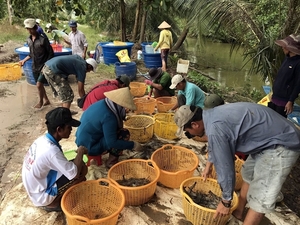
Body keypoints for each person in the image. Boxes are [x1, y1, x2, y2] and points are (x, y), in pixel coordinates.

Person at [174, 103, 300, 225]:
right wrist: (208, 166)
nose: (190, 135)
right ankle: (239, 211)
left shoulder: (215, 129)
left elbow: (226, 168)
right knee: (248, 172)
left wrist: (225, 202)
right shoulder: (211, 116)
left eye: (187, 132)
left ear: (195, 125)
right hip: (265, 139)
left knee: (261, 197)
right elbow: (215, 144)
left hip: (281, 143)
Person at [22, 107, 88, 212]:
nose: (71, 129)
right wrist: (80, 151)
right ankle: (52, 203)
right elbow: (74, 173)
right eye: (69, 127)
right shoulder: (51, 151)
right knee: (81, 171)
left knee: (76, 165)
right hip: (41, 195)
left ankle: (55, 197)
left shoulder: (42, 140)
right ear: (59, 129)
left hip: (36, 186)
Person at [75, 87, 142, 168]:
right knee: (123, 133)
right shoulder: (109, 117)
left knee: (114, 132)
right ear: (120, 106)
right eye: (125, 108)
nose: (127, 111)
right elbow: (112, 142)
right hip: (88, 147)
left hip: (82, 141)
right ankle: (111, 162)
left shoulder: (103, 103)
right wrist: (133, 145)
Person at [19, 18, 54, 108]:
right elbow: (31, 53)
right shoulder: (29, 39)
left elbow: (51, 53)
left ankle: (41, 102)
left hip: (44, 66)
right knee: (39, 85)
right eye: (28, 29)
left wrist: (46, 65)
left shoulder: (43, 39)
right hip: (35, 66)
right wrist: (23, 60)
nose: (30, 31)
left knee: (38, 84)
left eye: (31, 29)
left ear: (35, 27)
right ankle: (46, 100)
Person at [268, 34, 300, 118]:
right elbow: (280, 77)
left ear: (291, 49)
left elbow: (298, 84)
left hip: (284, 101)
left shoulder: (298, 63)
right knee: (270, 120)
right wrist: (273, 93)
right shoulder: (287, 58)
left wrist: (290, 101)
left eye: (285, 46)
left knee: (279, 124)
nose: (283, 48)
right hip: (275, 96)